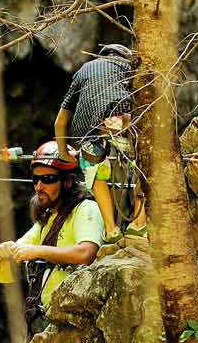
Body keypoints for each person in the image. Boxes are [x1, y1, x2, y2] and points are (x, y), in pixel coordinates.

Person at [0, 142, 105, 330]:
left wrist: (38, 251)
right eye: (35, 179)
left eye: (48, 179)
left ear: (68, 181)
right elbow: (20, 247)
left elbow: (86, 253)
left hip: (78, 318)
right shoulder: (50, 217)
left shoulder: (87, 209)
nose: (39, 186)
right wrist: (4, 248)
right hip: (47, 315)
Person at [54, 44, 144, 238]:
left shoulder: (83, 71)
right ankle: (139, 223)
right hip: (122, 121)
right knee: (145, 165)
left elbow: (61, 120)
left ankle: (111, 230)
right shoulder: (129, 68)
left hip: (90, 131)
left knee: (94, 173)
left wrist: (64, 153)